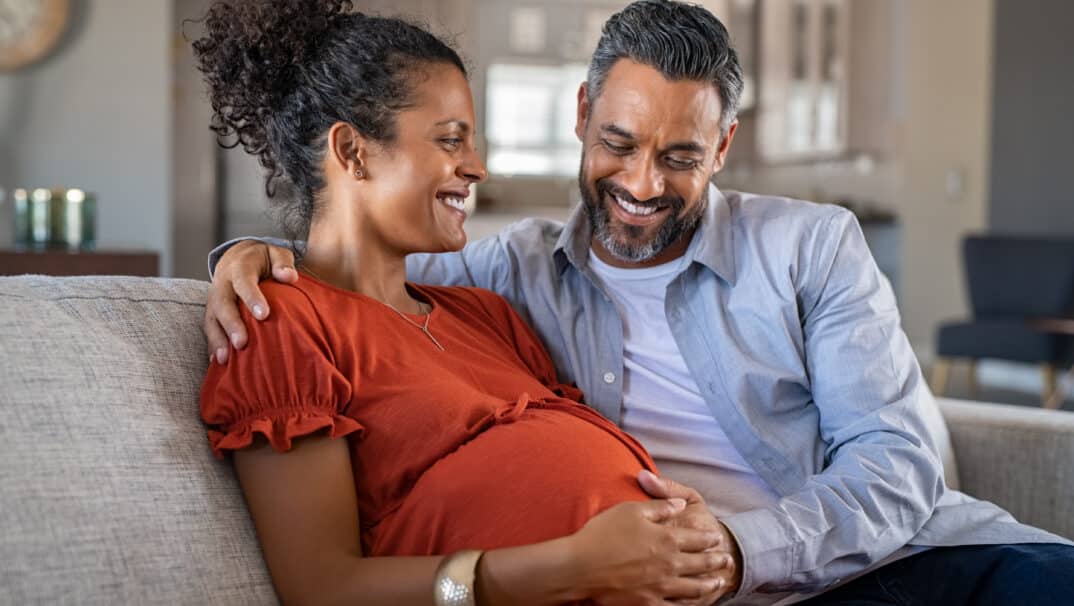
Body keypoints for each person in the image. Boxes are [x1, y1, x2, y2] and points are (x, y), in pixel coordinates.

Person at [207, 1, 1074, 605]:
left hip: (909, 562)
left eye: (681, 156)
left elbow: (896, 464)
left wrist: (739, 555)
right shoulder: (512, 273)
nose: (642, 184)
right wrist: (252, 256)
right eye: (618, 143)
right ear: (583, 113)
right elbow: (347, 283)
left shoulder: (813, 246)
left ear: (725, 144)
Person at [193, 2, 736, 605]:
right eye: (451, 140)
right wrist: (576, 565)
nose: (476, 167)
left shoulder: (484, 313)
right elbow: (322, 589)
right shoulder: (280, 325)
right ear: (351, 152)